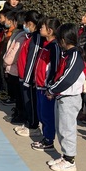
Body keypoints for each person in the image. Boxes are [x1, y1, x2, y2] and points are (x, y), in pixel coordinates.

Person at [45, 23, 86, 171]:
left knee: (67, 129)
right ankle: (65, 156)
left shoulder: (75, 55)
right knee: (61, 128)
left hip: (70, 97)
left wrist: (52, 89)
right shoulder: (67, 54)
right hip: (62, 96)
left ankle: (70, 161)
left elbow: (68, 78)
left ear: (65, 39)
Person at [30, 17, 61, 151]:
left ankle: (49, 140)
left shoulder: (54, 46)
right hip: (39, 85)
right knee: (41, 112)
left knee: (47, 114)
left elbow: (54, 68)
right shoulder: (45, 45)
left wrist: (50, 85)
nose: (40, 29)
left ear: (50, 31)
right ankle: (45, 137)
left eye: (42, 27)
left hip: (46, 88)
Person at [14, 10, 44, 137]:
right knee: (26, 102)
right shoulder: (30, 37)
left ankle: (33, 126)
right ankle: (28, 122)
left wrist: (27, 79)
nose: (25, 26)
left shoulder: (36, 38)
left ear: (31, 23)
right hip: (23, 76)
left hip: (29, 78)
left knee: (30, 102)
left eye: (27, 24)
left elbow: (32, 59)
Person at [3, 10, 27, 124]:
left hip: (16, 69)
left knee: (19, 95)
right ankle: (17, 111)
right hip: (12, 69)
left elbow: (15, 53)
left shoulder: (22, 37)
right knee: (17, 95)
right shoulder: (18, 34)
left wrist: (6, 61)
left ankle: (20, 115)